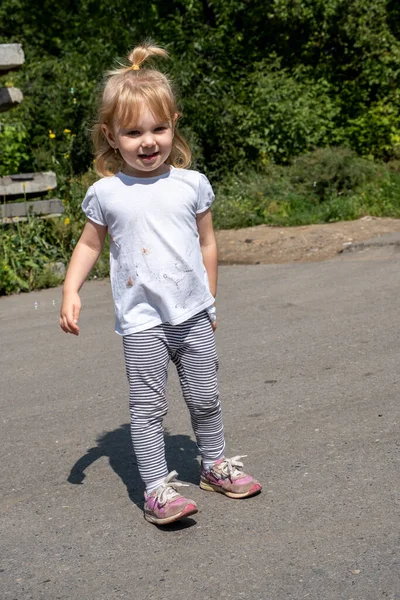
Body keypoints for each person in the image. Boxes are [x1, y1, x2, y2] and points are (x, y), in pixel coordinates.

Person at [59, 42, 261, 525]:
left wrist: (209, 299)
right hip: (142, 320)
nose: (148, 141)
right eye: (133, 132)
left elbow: (208, 243)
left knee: (206, 396)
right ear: (111, 135)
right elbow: (89, 246)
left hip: (192, 313)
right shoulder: (106, 193)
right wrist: (70, 290)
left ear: (174, 123)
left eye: (159, 128)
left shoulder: (191, 184)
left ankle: (213, 465)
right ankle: (156, 490)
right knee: (148, 408)